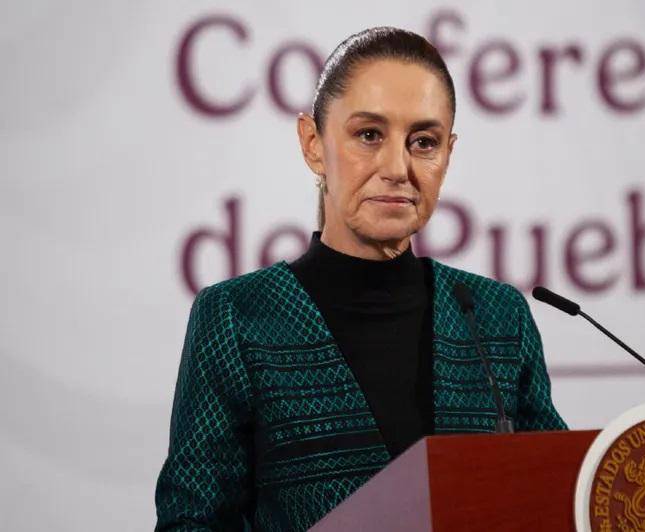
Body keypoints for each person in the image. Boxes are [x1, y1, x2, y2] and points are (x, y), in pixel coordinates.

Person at [155, 26, 567, 531]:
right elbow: (190, 522)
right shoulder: (238, 318)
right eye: (369, 135)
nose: (397, 167)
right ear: (313, 144)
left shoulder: (497, 317)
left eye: (424, 142)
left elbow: (558, 497)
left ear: (448, 154)